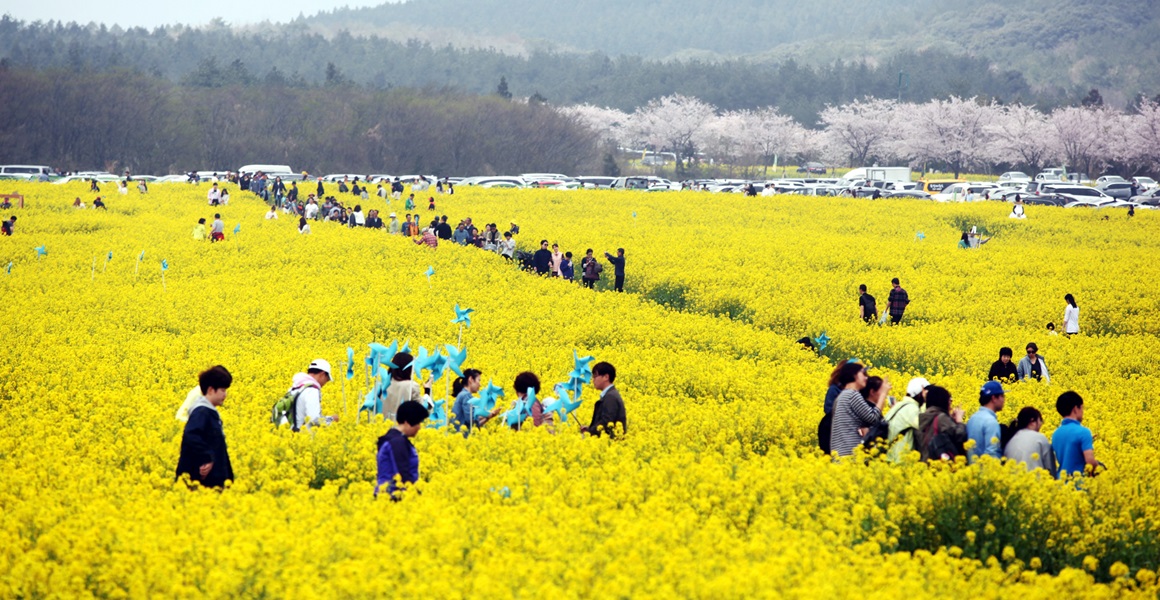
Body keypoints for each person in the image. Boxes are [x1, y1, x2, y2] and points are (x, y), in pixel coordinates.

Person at [174, 365, 234, 488]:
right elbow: (191, 435)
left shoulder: (208, 412)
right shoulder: (202, 412)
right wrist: (206, 458)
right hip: (202, 483)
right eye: (222, 390)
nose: (225, 394)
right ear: (211, 390)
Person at [375, 400, 430, 499]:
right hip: (393, 497)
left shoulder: (393, 438)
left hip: (389, 496)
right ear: (407, 422)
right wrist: (416, 495)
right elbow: (402, 473)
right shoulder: (397, 442)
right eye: (418, 423)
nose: (419, 427)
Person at [829, 362, 884, 456]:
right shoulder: (852, 395)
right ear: (854, 375)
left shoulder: (842, 396)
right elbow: (873, 418)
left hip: (840, 452)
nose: (866, 377)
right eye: (863, 373)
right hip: (850, 453)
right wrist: (883, 394)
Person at [279, 359, 338, 430]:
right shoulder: (312, 390)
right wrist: (332, 419)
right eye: (327, 379)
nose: (325, 383)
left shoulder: (294, 387)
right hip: (303, 436)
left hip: (289, 434)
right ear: (322, 374)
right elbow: (314, 420)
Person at [1051, 391, 1098, 479]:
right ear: (1076, 409)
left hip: (1061, 483)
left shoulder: (1056, 433)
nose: (1082, 412)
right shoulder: (1083, 432)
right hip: (1079, 484)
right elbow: (1090, 462)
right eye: (1082, 408)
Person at [916, 385, 967, 461]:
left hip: (924, 463)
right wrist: (959, 420)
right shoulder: (941, 418)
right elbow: (960, 435)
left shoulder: (922, 417)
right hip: (940, 462)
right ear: (942, 401)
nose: (950, 402)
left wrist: (950, 419)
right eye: (948, 399)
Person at [884, 377, 929, 462]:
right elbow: (924, 424)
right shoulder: (911, 408)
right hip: (899, 460)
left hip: (889, 458)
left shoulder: (900, 405)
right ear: (920, 393)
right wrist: (927, 402)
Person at [1003, 407, 1057, 476]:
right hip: (1036, 483)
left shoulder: (1011, 439)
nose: (1041, 424)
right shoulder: (1040, 438)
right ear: (1032, 421)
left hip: (1013, 483)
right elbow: (1050, 468)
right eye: (1040, 420)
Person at [451, 369, 500, 436]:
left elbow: (473, 426)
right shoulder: (465, 395)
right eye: (479, 380)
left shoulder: (463, 394)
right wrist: (488, 414)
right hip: (460, 438)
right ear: (471, 379)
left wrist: (489, 416)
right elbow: (472, 419)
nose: (480, 384)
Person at [582, 362, 626, 437]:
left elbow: (606, 423)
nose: (593, 380)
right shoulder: (610, 395)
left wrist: (590, 431)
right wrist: (590, 428)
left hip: (611, 444)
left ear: (606, 377)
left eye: (595, 376)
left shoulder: (611, 397)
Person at [966, 381, 1007, 461]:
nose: (1004, 399)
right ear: (994, 398)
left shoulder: (973, 418)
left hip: (973, 469)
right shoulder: (991, 422)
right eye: (1002, 396)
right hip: (986, 470)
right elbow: (991, 453)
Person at [383, 352, 422, 422]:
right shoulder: (411, 386)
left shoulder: (382, 385)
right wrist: (427, 391)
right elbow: (422, 410)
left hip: (380, 429)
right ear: (409, 369)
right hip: (402, 429)